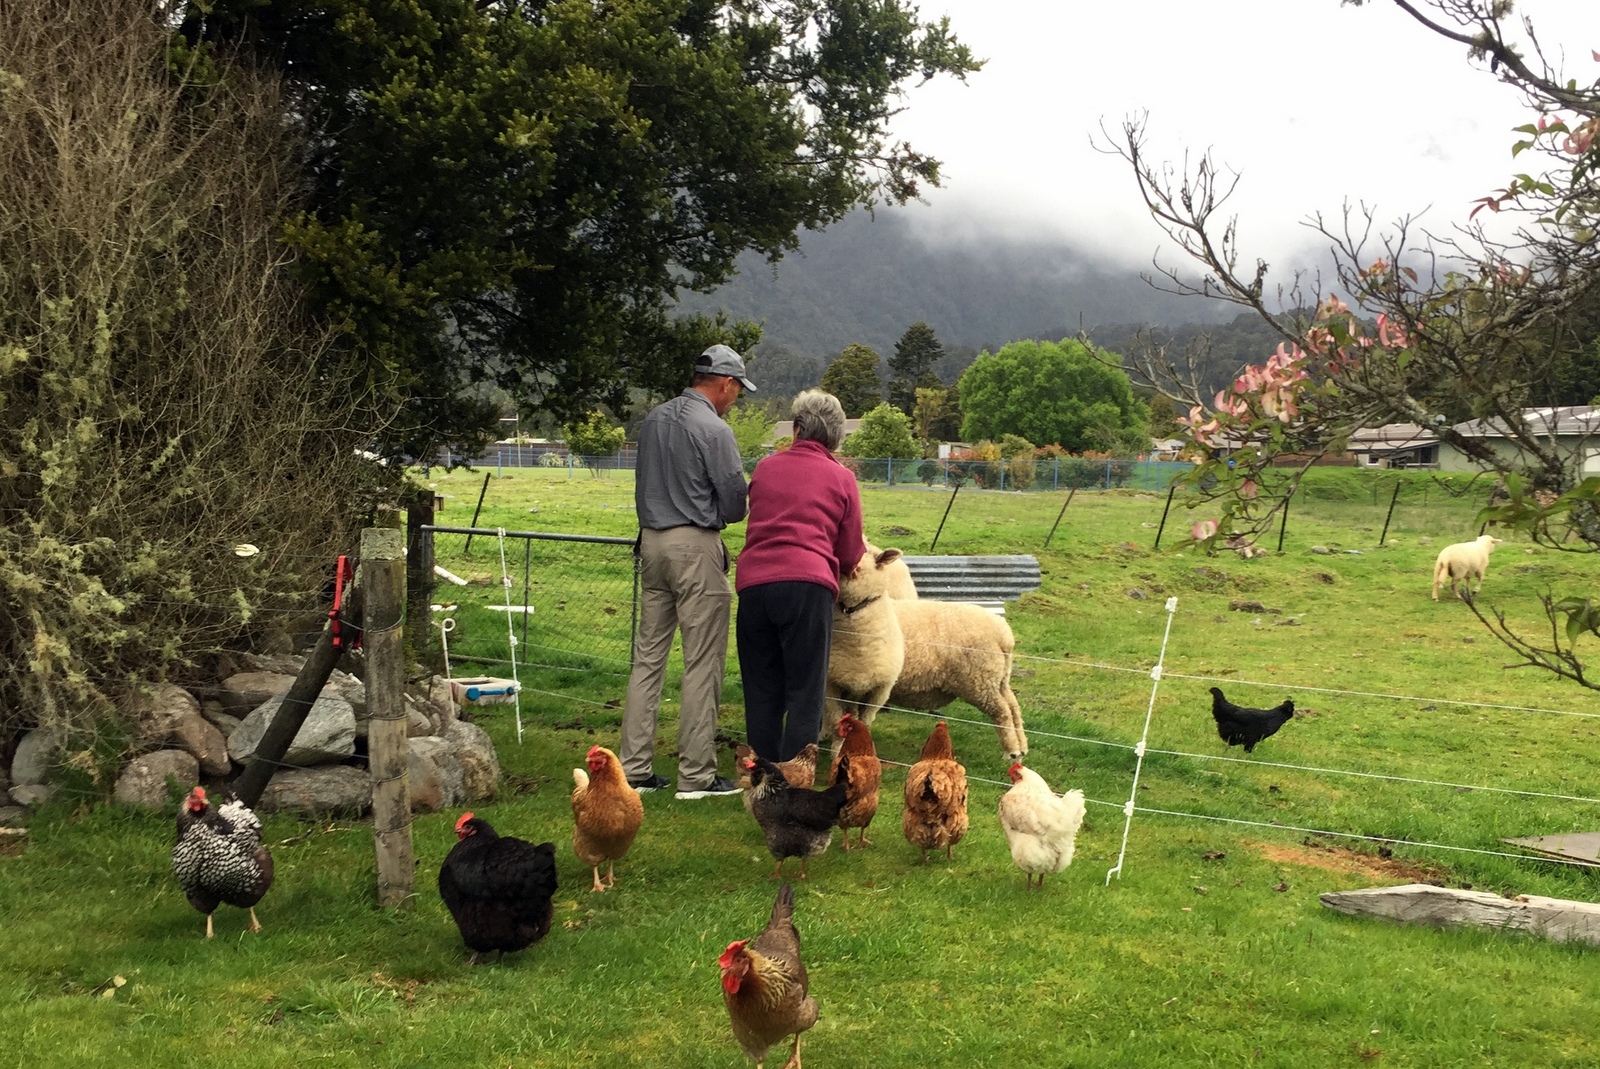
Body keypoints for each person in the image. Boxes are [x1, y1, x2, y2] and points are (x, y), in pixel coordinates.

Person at [620, 344, 754, 799]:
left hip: (650, 541)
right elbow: (736, 502)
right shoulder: (714, 429)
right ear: (725, 383)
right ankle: (696, 776)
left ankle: (634, 769)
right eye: (737, 390)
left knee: (648, 657)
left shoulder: (655, 418)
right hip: (694, 545)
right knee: (702, 661)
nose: (735, 399)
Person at [735, 389, 866, 761]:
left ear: (796, 429)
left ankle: (761, 778)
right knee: (806, 689)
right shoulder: (842, 479)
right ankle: (794, 780)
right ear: (836, 437)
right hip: (807, 587)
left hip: (755, 586)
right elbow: (850, 551)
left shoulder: (765, 468)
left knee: (761, 687)